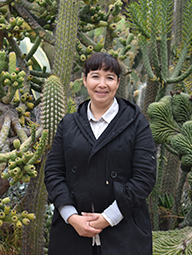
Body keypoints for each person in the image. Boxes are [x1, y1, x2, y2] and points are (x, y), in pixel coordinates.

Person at [44, 52, 156, 255]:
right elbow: (53, 172)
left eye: (110, 78)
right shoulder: (68, 124)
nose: (102, 84)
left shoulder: (136, 123)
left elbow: (144, 176)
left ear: (118, 83)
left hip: (124, 234)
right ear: (84, 80)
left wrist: (108, 218)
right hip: (71, 234)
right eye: (95, 76)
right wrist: (72, 217)